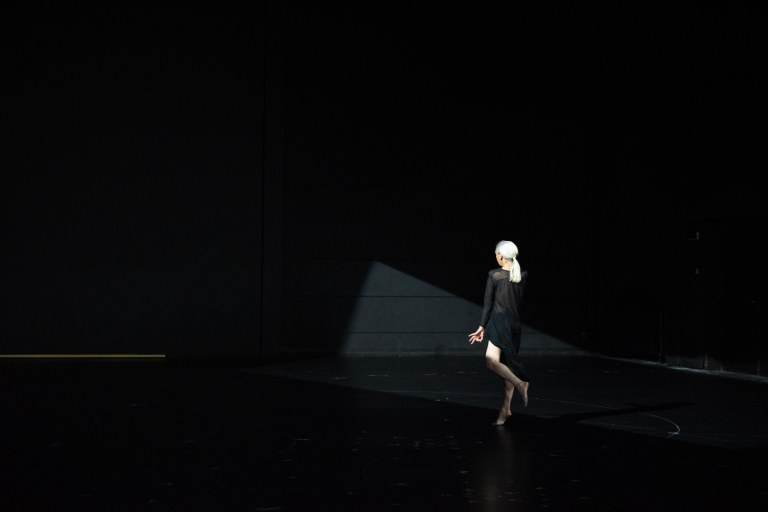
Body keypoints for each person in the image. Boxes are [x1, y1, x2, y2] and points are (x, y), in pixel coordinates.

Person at [468, 240, 530, 426]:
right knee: (507, 366)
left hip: (499, 322)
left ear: (501, 256)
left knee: (491, 361)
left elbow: (488, 303)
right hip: (514, 325)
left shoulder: (494, 275)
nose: (495, 257)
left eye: (496, 254)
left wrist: (482, 326)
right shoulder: (522, 274)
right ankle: (505, 410)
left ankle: (521, 383)